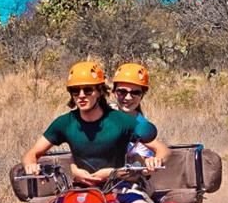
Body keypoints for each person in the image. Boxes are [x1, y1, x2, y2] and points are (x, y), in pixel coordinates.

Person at [22, 61, 158, 187]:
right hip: (81, 190)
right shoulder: (64, 123)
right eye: (75, 91)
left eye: (88, 90)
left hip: (119, 187)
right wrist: (31, 164)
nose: (81, 95)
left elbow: (159, 147)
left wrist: (154, 161)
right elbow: (32, 153)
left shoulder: (120, 120)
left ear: (99, 91)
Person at [111, 62, 171, 170]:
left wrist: (155, 161)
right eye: (122, 92)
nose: (128, 97)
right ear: (114, 92)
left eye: (135, 92)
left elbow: (163, 150)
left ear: (142, 95)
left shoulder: (140, 125)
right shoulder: (102, 114)